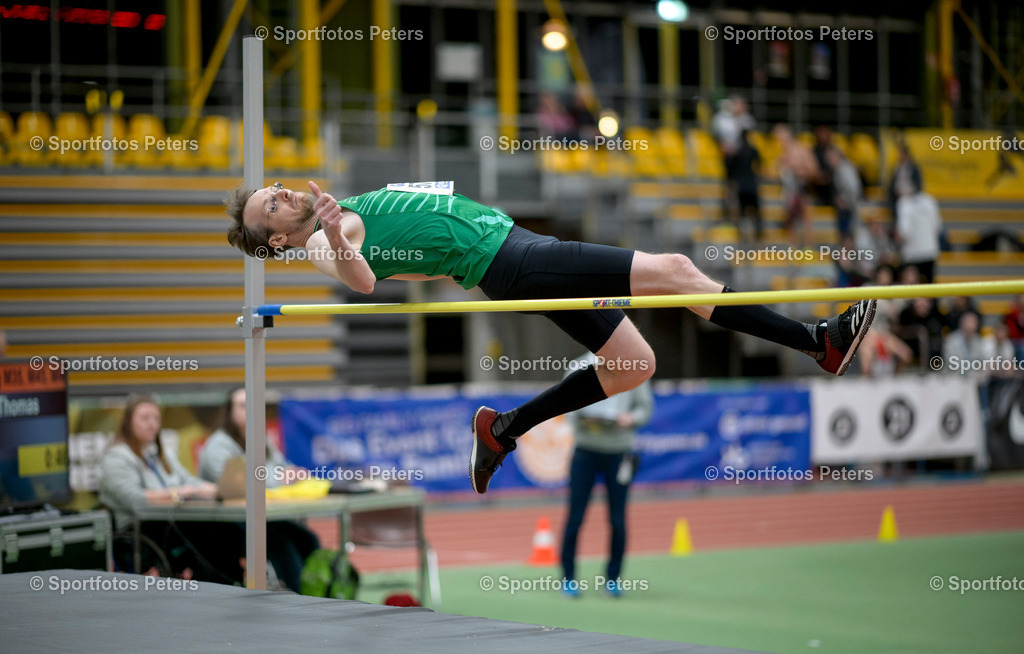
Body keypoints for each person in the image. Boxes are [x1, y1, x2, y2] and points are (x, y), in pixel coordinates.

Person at [224, 181, 875, 495]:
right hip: (514, 261)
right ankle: (817, 340)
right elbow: (362, 280)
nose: (279, 194)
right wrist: (334, 237)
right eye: (269, 207)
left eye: (273, 190)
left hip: (515, 247)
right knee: (677, 271)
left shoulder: (335, 210)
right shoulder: (320, 241)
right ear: (276, 240)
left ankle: (503, 428)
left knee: (634, 363)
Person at [98, 394, 245, 584]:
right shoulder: (116, 458)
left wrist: (216, 489)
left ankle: (233, 579)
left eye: (156, 418)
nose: (152, 424)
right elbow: (134, 499)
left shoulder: (162, 454)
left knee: (225, 526)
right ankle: (223, 582)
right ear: (128, 422)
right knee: (207, 531)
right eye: (145, 418)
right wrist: (176, 493)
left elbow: (188, 480)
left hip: (174, 521)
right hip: (142, 528)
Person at [198, 388, 321, 593]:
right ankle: (301, 599)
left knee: (307, 539)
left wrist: (293, 473)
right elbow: (242, 483)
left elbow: (281, 467)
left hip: (260, 516)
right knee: (281, 545)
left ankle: (317, 593)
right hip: (225, 522)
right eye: (242, 406)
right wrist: (280, 478)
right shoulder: (217, 447)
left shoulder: (261, 438)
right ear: (229, 412)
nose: (249, 410)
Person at [560, 352, 653, 599]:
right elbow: (564, 404)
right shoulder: (578, 366)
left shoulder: (635, 366)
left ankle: (613, 579)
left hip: (619, 453)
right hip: (585, 451)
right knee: (575, 518)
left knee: (617, 520)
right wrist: (583, 420)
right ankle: (568, 579)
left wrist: (630, 418)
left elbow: (645, 409)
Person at [773, 124, 819, 245]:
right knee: (790, 219)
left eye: (780, 137)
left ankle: (809, 247)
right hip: (789, 190)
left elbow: (813, 170)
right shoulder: (783, 154)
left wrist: (798, 171)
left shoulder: (801, 150)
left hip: (802, 187)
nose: (779, 141)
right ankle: (792, 247)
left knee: (806, 218)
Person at [895, 188, 942, 283]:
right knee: (928, 287)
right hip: (929, 251)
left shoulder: (904, 203)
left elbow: (904, 232)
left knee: (911, 286)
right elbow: (938, 226)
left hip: (911, 254)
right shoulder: (930, 201)